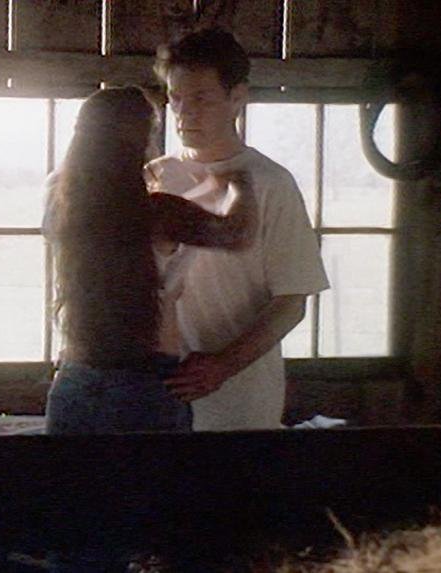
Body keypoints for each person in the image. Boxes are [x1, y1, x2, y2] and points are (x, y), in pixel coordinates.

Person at [43, 85, 257, 437]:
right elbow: (237, 233)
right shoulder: (157, 213)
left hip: (73, 381)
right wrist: (240, 184)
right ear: (143, 141)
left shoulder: (60, 204)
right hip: (143, 385)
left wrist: (206, 188)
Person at [147, 28, 330, 431]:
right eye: (176, 97)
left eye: (201, 98)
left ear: (237, 97)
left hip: (241, 403)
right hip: (158, 394)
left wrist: (222, 367)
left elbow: (292, 301)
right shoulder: (153, 179)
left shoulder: (270, 184)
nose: (184, 112)